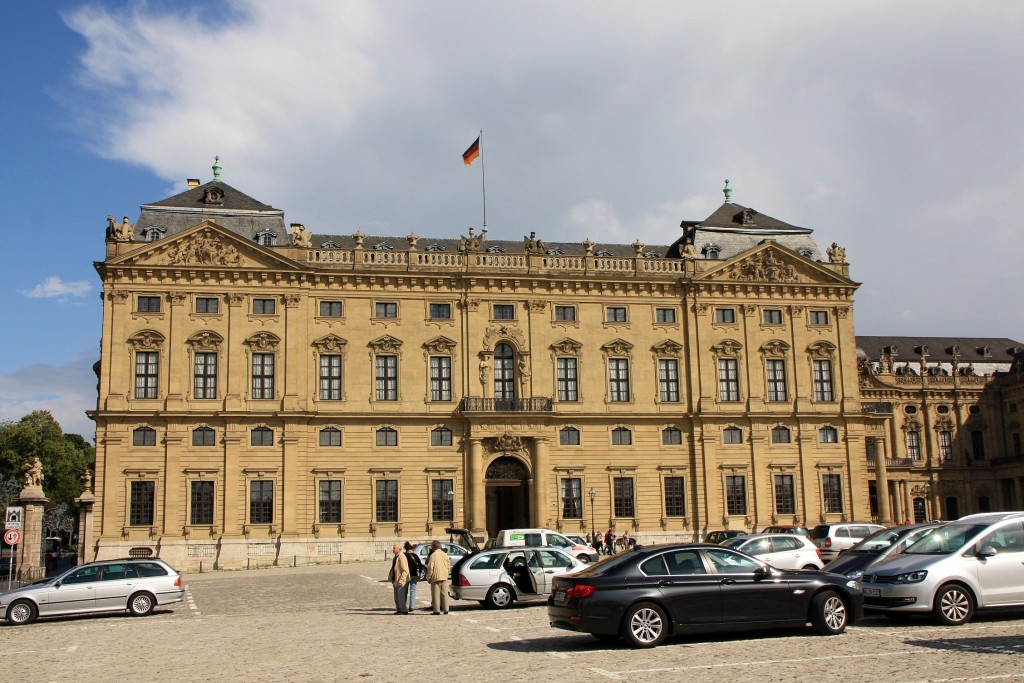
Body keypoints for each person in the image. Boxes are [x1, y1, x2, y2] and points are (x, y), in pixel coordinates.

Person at [426, 540, 452, 615]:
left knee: (435, 594)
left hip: (436, 577)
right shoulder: (445, 554)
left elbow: (430, 567)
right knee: (444, 594)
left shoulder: (433, 555)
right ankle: (446, 609)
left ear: (434, 547)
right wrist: (446, 574)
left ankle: (436, 610)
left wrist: (429, 577)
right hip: (444, 576)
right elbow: (448, 566)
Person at [388, 543, 410, 614]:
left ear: (399, 549)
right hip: (396, 579)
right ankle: (399, 609)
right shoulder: (396, 557)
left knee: (400, 595)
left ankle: (403, 609)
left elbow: (405, 570)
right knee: (396, 596)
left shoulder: (402, 557)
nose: (393, 549)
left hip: (400, 579)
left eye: (394, 548)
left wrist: (402, 580)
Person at [404, 541, 424, 611]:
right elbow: (420, 565)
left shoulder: (404, 556)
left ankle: (404, 605)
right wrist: (420, 573)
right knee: (413, 590)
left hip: (406, 574)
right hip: (414, 574)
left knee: (405, 590)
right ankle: (411, 606)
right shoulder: (415, 556)